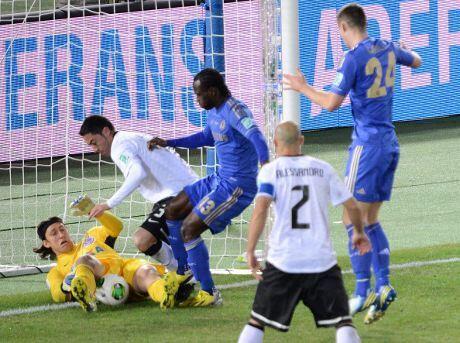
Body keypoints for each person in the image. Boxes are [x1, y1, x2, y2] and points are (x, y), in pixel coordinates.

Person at [283, 3, 422, 324]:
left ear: (344, 27)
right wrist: (401, 48)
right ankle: (382, 286)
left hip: (367, 145)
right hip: (389, 142)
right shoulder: (386, 47)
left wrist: (303, 88)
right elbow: (416, 61)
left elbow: (331, 104)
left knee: (350, 216)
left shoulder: (353, 57)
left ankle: (362, 290)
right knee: (369, 219)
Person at [238, 121, 370, 343]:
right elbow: (353, 206)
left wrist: (250, 251)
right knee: (343, 321)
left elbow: (260, 210)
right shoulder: (323, 169)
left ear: (275, 143)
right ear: (301, 141)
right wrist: (358, 232)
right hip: (321, 262)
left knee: (257, 321)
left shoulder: (270, 172)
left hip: (283, 262)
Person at [148, 68, 270, 307]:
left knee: (189, 229)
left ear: (212, 91)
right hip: (218, 178)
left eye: (199, 95)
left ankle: (209, 292)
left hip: (236, 187)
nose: (197, 100)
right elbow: (205, 138)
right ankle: (183, 270)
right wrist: (168, 142)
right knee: (173, 209)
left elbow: (258, 137)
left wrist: (266, 164)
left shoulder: (235, 110)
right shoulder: (214, 112)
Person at [79, 115, 198, 281]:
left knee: (142, 240)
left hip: (178, 194)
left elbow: (137, 173)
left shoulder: (119, 145)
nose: (94, 149)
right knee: (158, 240)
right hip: (187, 190)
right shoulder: (128, 139)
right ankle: (185, 271)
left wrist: (108, 204)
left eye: (94, 142)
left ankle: (184, 273)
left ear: (106, 131)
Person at [33, 196, 183, 312]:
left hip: (125, 270)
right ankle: (86, 294)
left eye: (62, 229)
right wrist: (66, 286)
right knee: (85, 260)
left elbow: (117, 227)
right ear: (46, 243)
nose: (60, 235)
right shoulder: (56, 271)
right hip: (103, 285)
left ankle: (166, 295)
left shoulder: (92, 235)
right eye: (54, 233)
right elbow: (56, 294)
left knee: (146, 272)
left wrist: (97, 212)